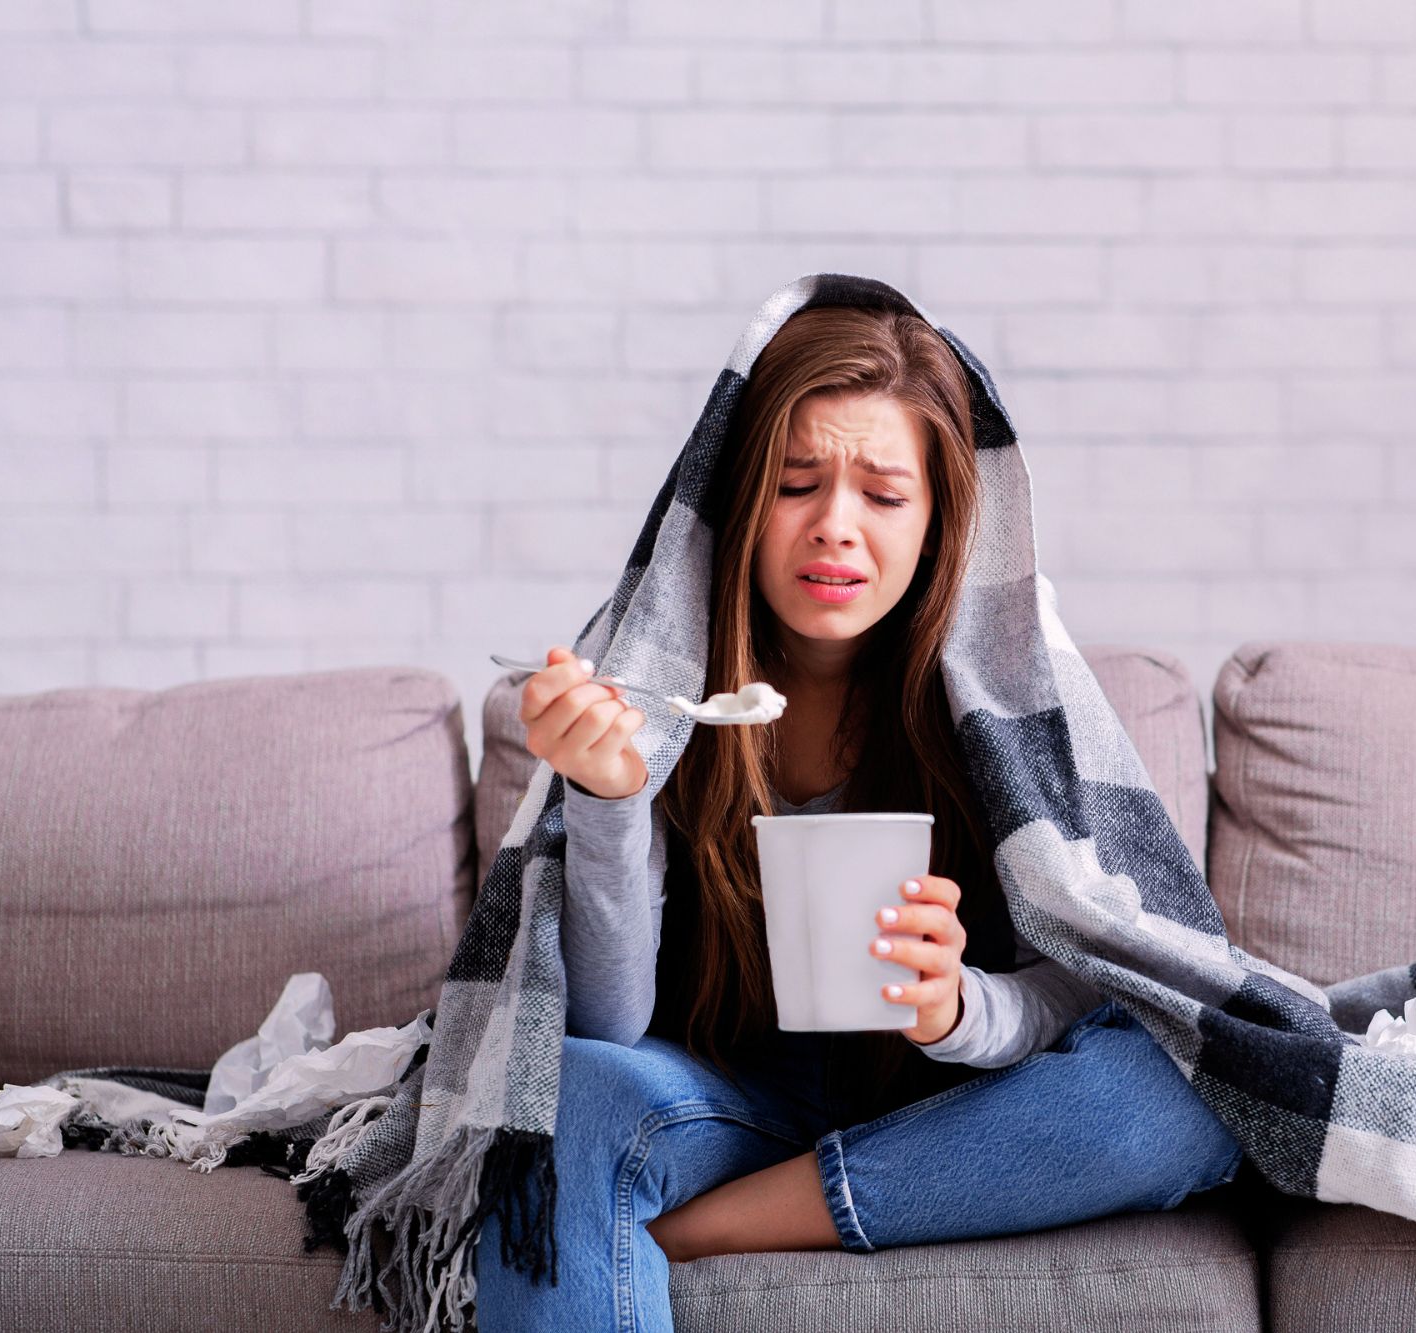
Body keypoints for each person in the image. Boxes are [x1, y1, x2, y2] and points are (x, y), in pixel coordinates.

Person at [471, 296, 1243, 1331]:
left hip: (942, 1105)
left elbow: (1101, 974)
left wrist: (959, 1009)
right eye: (796, 484)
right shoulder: (653, 678)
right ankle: (757, 1194)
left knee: (1190, 1087)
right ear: (742, 501)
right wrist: (609, 803)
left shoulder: (1005, 688)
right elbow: (607, 1025)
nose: (834, 522)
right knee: (565, 1095)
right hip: (720, 1086)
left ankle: (700, 1225)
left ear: (937, 528)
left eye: (883, 494)